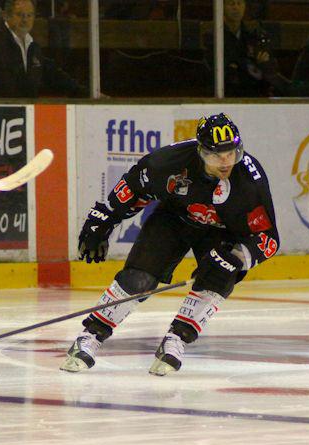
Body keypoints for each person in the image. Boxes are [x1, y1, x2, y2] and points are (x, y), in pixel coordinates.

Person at [60, 113, 280, 375]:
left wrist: (237, 257)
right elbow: (133, 186)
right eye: (215, 156)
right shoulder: (169, 162)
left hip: (222, 232)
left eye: (231, 153)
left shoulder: (250, 181)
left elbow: (268, 238)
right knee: (138, 278)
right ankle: (90, 336)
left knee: (219, 275)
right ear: (201, 152)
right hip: (174, 219)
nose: (225, 162)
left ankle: (176, 339)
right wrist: (103, 219)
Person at [0, 0, 86, 98]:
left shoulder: (33, 47)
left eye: (29, 15)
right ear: (6, 15)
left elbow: (54, 75)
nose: (25, 20)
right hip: (2, 112)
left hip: (28, 112)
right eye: (20, 15)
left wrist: (84, 93)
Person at [206, 0, 290, 97]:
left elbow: (268, 65)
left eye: (239, 3)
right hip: (226, 91)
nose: (236, 8)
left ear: (244, 6)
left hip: (253, 91)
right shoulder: (214, 36)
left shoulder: (252, 35)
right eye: (231, 4)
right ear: (222, 7)